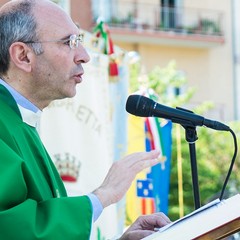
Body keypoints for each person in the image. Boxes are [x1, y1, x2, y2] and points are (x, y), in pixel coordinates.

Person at [0, 0, 171, 239]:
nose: (84, 56)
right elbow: (9, 228)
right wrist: (103, 195)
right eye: (69, 42)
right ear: (23, 55)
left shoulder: (21, 120)